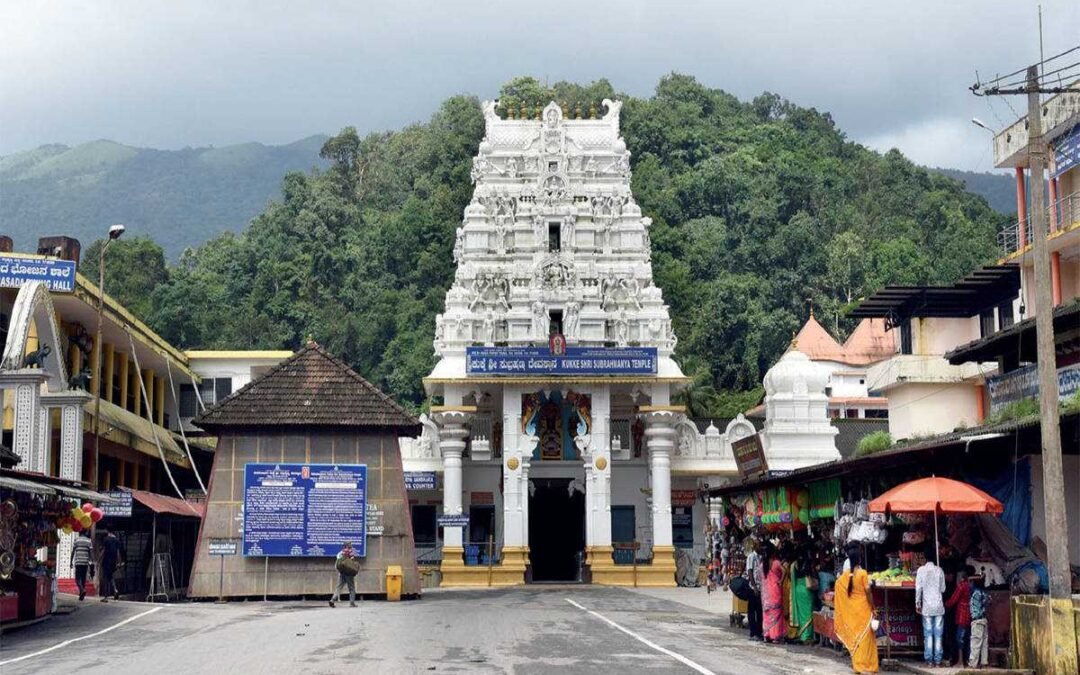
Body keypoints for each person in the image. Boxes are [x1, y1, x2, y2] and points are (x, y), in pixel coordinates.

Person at [834, 549, 879, 674]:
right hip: (864, 609)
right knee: (866, 639)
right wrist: (873, 607)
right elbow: (868, 592)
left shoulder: (845, 576)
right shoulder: (862, 573)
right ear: (859, 559)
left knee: (856, 638)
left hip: (853, 612)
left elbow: (838, 585)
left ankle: (859, 666)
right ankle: (868, 666)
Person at [915, 546, 947, 668]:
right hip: (938, 606)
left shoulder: (921, 571)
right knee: (938, 635)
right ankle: (938, 661)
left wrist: (917, 604)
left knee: (928, 634)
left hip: (927, 607)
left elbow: (918, 589)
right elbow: (943, 589)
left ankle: (929, 661)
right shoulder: (939, 570)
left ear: (924, 557)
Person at [945, 566, 973, 666]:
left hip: (962, 615)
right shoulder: (974, 586)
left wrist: (944, 605)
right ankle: (969, 661)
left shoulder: (962, 586)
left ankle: (961, 662)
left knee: (959, 639)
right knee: (969, 638)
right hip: (972, 615)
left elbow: (953, 600)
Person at [789, 548, 815, 643]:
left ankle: (801, 634)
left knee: (801, 613)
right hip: (806, 589)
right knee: (808, 613)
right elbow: (810, 576)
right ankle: (807, 636)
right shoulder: (807, 563)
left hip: (797, 589)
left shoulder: (794, 565)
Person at [761, 544, 787, 643]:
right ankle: (775, 636)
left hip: (766, 593)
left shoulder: (763, 564)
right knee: (777, 613)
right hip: (775, 590)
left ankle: (766, 635)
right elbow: (784, 571)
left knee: (767, 613)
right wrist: (781, 581)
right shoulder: (776, 562)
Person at [967, 575, 991, 668]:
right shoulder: (983, 593)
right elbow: (989, 601)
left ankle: (973, 664)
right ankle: (984, 663)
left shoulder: (975, 593)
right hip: (984, 619)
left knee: (975, 643)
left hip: (977, 620)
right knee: (984, 643)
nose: (970, 584)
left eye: (971, 582)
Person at [329, 541, 358, 608]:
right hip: (349, 573)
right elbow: (352, 562)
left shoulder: (341, 553)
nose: (351, 545)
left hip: (341, 572)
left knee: (339, 587)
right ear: (348, 545)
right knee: (351, 588)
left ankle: (332, 600)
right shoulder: (350, 552)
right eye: (350, 544)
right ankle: (352, 603)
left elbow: (338, 561)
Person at [745, 540, 764, 640]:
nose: (761, 548)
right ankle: (753, 632)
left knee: (759, 611)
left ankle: (759, 632)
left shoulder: (761, 557)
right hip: (753, 588)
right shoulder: (751, 557)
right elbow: (750, 571)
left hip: (761, 587)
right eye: (759, 546)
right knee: (752, 611)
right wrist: (754, 587)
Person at [98, 529, 124, 602]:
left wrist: (98, 559)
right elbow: (118, 552)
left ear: (108, 532)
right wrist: (119, 562)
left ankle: (106, 596)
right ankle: (115, 590)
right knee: (110, 576)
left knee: (106, 578)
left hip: (106, 561)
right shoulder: (117, 540)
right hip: (113, 561)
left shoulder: (106, 540)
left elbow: (103, 550)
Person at [70, 530, 94, 601]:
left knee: (77, 579)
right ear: (85, 533)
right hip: (85, 562)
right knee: (83, 578)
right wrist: (92, 561)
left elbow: (73, 551)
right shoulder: (88, 541)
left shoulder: (76, 540)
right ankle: (81, 594)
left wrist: (70, 562)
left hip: (78, 562)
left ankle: (82, 589)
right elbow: (91, 552)